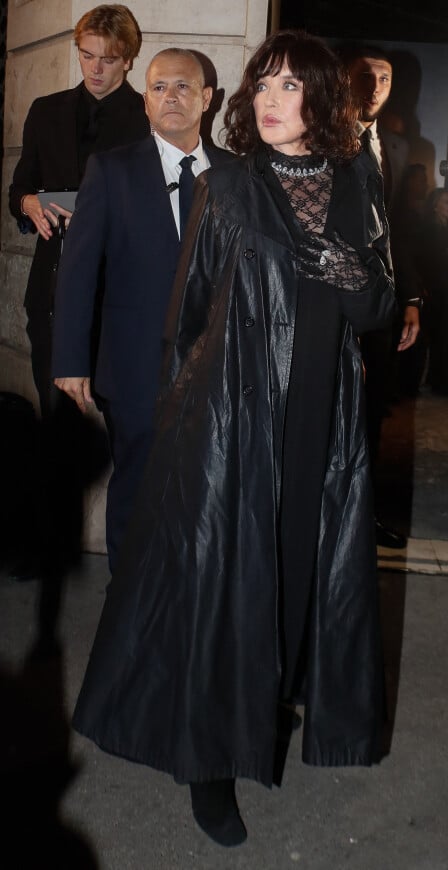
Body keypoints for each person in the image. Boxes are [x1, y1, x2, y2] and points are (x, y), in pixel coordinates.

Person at [71, 30, 395, 848]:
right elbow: (189, 313)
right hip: (229, 419)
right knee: (224, 591)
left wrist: (342, 264)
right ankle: (210, 766)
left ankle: (269, 707)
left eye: (290, 86)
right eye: (263, 84)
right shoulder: (231, 185)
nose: (271, 99)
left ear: (323, 100)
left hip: (319, 422)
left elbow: (379, 310)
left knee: (293, 580)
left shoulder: (358, 183)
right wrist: (187, 422)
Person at [52, 48, 233, 571]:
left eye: (183, 87)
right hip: (133, 371)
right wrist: (70, 360)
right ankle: (126, 614)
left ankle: (189, 610)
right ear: (145, 102)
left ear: (206, 99)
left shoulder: (238, 177)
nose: (170, 97)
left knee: (206, 493)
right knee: (136, 490)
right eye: (158, 88)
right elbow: (79, 272)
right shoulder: (110, 171)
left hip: (219, 372)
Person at [7, 4, 149, 580]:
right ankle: (47, 547)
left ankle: (132, 560)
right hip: (53, 288)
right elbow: (20, 186)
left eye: (108, 59)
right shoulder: (46, 110)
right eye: (86, 55)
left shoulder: (146, 116)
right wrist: (29, 205)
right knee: (56, 424)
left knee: (128, 433)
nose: (94, 68)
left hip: (120, 298)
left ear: (128, 59)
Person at [341, 42, 422, 549]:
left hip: (381, 305)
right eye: (365, 76)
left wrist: (412, 298)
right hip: (331, 303)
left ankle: (361, 520)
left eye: (385, 79)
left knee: (371, 412)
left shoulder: (397, 148)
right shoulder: (319, 139)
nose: (374, 87)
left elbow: (400, 231)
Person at [415, 188, 448, 394]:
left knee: (442, 336)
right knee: (426, 337)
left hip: (443, 288)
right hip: (431, 290)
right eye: (446, 202)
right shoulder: (429, 230)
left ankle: (437, 381)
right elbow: (424, 261)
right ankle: (413, 383)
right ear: (435, 206)